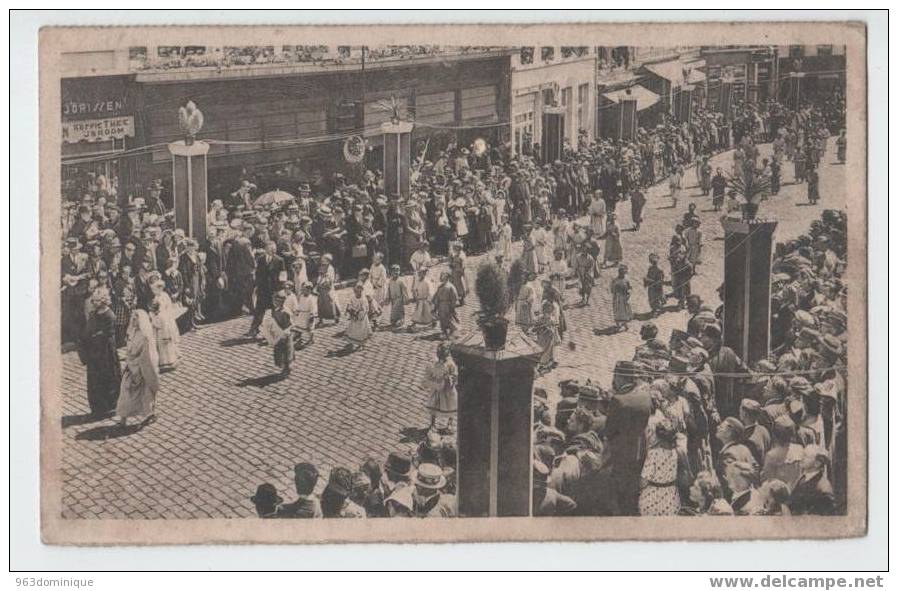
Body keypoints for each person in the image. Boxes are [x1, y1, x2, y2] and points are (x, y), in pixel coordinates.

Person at [604, 363, 653, 516]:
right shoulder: (645, 397)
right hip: (640, 449)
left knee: (620, 489)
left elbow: (609, 431)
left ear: (619, 378)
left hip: (622, 453)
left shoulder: (618, 400)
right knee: (633, 486)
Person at [79, 291, 121, 417]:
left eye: (96, 301)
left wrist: (93, 337)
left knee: (108, 379)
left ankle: (110, 406)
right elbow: (88, 331)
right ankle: (98, 408)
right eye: (93, 301)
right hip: (94, 354)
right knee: (95, 382)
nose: (93, 303)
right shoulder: (93, 314)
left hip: (106, 354)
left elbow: (107, 335)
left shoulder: (110, 316)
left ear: (103, 301)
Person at [115, 310, 159, 428]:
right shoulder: (132, 331)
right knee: (125, 392)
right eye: (132, 318)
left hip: (141, 370)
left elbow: (147, 357)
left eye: (136, 319)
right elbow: (130, 349)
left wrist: (138, 369)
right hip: (131, 368)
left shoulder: (145, 337)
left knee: (146, 394)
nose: (133, 321)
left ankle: (150, 414)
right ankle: (123, 418)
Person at [639, 419, 691, 516]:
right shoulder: (677, 452)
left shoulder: (653, 453)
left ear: (657, 436)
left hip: (652, 498)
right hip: (671, 499)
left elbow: (643, 481)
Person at [248, 240, 285, 336]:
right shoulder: (260, 259)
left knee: (275, 312)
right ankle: (254, 329)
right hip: (263, 290)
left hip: (274, 290)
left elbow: (282, 275)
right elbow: (258, 273)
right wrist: (256, 285)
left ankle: (276, 331)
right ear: (265, 249)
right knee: (259, 310)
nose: (273, 251)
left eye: (274, 249)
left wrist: (281, 288)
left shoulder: (279, 260)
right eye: (270, 249)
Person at [789, 445, 835, 515]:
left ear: (817, 463)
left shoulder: (823, 486)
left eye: (806, 456)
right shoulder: (803, 478)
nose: (801, 458)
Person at [422, 343, 458, 432]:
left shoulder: (451, 364)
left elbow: (454, 376)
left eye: (443, 353)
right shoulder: (434, 364)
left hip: (447, 389)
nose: (441, 355)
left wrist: (450, 379)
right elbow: (429, 376)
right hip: (437, 389)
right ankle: (432, 424)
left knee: (450, 405)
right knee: (434, 404)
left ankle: (449, 424)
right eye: (439, 352)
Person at [150, 279, 180, 372]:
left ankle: (170, 360)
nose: (157, 290)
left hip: (165, 320)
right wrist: (154, 313)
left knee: (166, 339)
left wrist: (166, 316)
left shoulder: (165, 296)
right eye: (156, 288)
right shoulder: (155, 298)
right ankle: (161, 361)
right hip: (158, 319)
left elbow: (168, 307)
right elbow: (152, 308)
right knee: (158, 341)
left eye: (159, 288)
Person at [270, 290, 294, 375]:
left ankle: (287, 368)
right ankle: (283, 366)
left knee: (286, 352)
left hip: (285, 335)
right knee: (279, 351)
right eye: (275, 301)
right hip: (278, 334)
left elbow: (290, 325)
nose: (275, 303)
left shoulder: (285, 312)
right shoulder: (274, 310)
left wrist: (285, 332)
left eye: (278, 301)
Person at [534, 299, 561, 374]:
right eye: (546, 313)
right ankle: (543, 364)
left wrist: (555, 335)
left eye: (549, 313)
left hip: (550, 338)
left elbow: (554, 329)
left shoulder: (551, 320)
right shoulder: (540, 318)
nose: (548, 315)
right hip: (542, 338)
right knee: (543, 350)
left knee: (550, 350)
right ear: (543, 311)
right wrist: (541, 328)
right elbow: (535, 327)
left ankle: (549, 362)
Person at [344, 282, 373, 350]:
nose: (357, 293)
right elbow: (349, 304)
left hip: (361, 317)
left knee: (361, 331)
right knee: (353, 329)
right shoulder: (353, 297)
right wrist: (349, 310)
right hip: (354, 316)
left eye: (359, 291)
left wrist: (359, 314)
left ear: (362, 291)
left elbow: (365, 309)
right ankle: (351, 341)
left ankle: (361, 344)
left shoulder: (363, 299)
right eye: (356, 291)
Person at [432, 271, 460, 339]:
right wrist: (435, 306)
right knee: (442, 319)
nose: (441, 277)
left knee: (449, 319)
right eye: (441, 275)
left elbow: (454, 298)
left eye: (443, 275)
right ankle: (444, 331)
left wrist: (452, 307)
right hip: (441, 305)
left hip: (447, 305)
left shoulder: (450, 286)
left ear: (447, 277)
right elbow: (436, 297)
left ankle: (454, 331)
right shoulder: (440, 287)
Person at [315, 253, 340, 326]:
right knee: (320, 303)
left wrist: (325, 281)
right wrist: (318, 282)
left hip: (327, 287)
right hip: (321, 287)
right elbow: (319, 276)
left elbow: (330, 278)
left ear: (328, 261)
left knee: (330, 302)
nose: (322, 261)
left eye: (324, 259)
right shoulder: (321, 267)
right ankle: (321, 319)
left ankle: (335, 317)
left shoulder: (330, 268)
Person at [291, 281, 318, 347]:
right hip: (302, 314)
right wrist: (297, 310)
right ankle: (299, 335)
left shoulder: (311, 298)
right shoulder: (301, 296)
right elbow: (299, 304)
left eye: (305, 290)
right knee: (300, 326)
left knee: (309, 328)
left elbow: (313, 308)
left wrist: (312, 315)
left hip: (308, 315)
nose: (303, 291)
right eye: (302, 289)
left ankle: (311, 339)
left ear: (309, 290)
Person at [384, 264, 410, 328]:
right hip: (393, 298)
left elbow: (404, 290)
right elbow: (389, 289)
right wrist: (388, 297)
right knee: (393, 309)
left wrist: (405, 298)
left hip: (399, 298)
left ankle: (401, 320)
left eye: (397, 271)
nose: (395, 273)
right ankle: (394, 320)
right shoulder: (390, 281)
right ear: (391, 272)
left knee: (399, 310)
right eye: (394, 271)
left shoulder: (401, 281)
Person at [610, 264, 633, 332]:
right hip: (617, 298)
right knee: (617, 311)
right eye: (621, 273)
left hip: (624, 298)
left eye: (623, 273)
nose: (622, 274)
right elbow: (612, 289)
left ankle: (624, 324)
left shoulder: (626, 280)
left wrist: (628, 293)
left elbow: (630, 288)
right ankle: (618, 324)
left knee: (625, 311)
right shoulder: (615, 280)